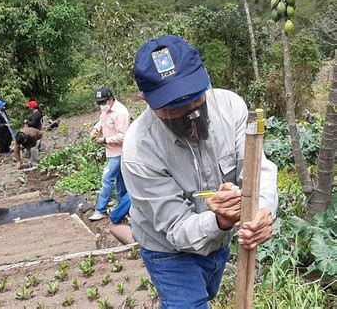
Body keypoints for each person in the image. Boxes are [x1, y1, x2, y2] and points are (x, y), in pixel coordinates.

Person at [122, 35, 278, 308]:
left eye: (194, 98)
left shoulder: (230, 108)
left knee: (203, 296)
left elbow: (257, 170)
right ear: (145, 99)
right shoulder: (139, 150)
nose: (189, 112)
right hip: (168, 251)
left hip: (217, 245)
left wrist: (261, 210)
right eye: (173, 106)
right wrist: (219, 221)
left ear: (205, 77)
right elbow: (175, 228)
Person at [88, 87, 131, 221]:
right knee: (120, 180)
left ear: (111, 99)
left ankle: (100, 210)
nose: (101, 105)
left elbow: (123, 136)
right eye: (99, 103)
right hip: (111, 151)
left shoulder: (120, 112)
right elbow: (102, 121)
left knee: (107, 179)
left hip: (119, 152)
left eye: (103, 102)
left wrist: (104, 140)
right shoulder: (106, 111)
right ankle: (122, 202)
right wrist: (96, 128)